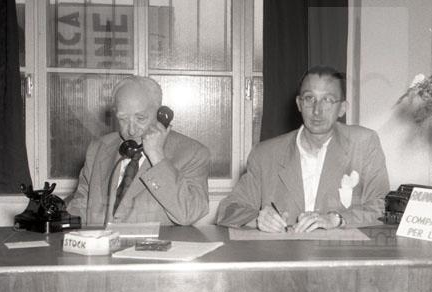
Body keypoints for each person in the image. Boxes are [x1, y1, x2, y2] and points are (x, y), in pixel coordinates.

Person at [216, 66, 389, 232]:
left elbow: (382, 206)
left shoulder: (363, 144)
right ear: (299, 104)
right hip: (283, 251)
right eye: (309, 98)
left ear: (342, 108)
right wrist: (257, 219)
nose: (317, 110)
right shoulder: (265, 154)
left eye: (327, 100)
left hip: (339, 250)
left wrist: (337, 219)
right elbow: (228, 210)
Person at [67, 76, 211, 226]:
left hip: (157, 242)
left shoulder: (192, 153)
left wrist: (157, 156)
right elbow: (81, 204)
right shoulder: (98, 148)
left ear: (160, 114)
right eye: (123, 119)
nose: (131, 130)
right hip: (101, 241)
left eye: (140, 118)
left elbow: (189, 213)